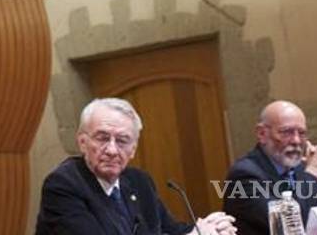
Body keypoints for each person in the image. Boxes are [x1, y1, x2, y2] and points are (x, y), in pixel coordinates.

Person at [37, 98, 238, 235]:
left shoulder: (139, 181)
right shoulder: (63, 185)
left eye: (123, 141)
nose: (112, 150)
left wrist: (208, 228)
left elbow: (170, 229)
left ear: (133, 149)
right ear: (82, 142)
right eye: (102, 138)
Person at [223, 101, 317, 235]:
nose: (296, 140)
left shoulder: (301, 167)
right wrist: (313, 175)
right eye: (286, 132)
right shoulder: (244, 175)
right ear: (262, 134)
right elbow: (290, 227)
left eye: (301, 133)